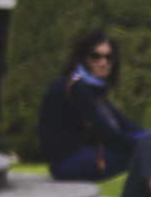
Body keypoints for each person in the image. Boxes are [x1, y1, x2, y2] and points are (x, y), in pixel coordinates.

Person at [38, 32, 145, 182]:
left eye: (109, 57)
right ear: (84, 58)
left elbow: (124, 124)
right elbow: (108, 131)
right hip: (66, 163)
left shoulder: (92, 88)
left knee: (148, 142)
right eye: (95, 57)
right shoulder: (76, 86)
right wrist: (150, 144)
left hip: (80, 155)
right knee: (145, 151)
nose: (103, 62)